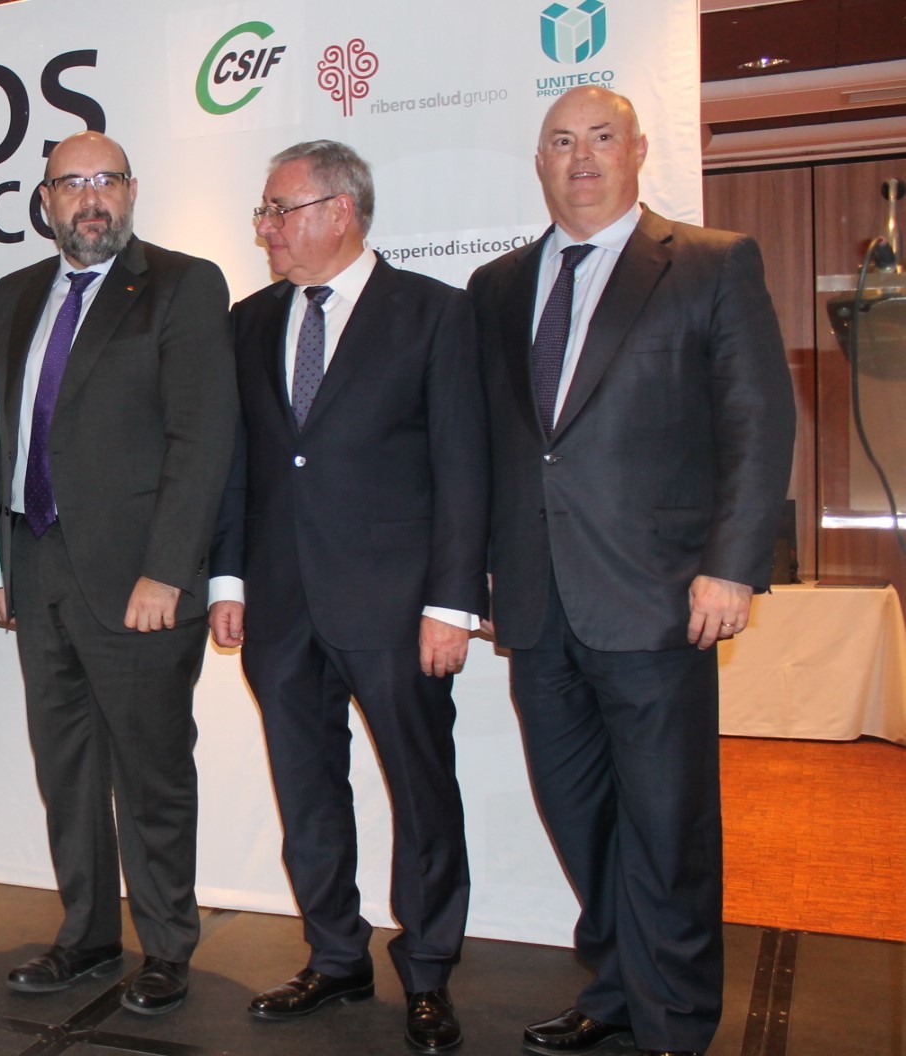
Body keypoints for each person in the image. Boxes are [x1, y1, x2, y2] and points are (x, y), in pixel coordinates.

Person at [467, 87, 793, 1056]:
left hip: (658, 600)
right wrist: (479, 575)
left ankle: (673, 1022)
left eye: (600, 138)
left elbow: (756, 421)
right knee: (581, 818)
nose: (580, 157)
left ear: (637, 150)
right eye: (560, 141)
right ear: (538, 162)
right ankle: (614, 986)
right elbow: (491, 447)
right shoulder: (496, 285)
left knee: (666, 824)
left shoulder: (708, 262)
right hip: (535, 604)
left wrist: (730, 567)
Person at [207, 140, 486, 1053]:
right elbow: (239, 464)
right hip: (280, 606)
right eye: (263, 212)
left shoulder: (434, 313)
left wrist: (451, 602)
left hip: (399, 608)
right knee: (306, 790)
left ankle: (429, 970)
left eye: (278, 210)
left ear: (340, 210)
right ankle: (334, 956)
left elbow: (462, 465)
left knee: (422, 790)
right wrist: (228, 577)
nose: (265, 229)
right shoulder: (250, 322)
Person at [0, 132, 237, 1015]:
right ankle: (86, 936)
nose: (89, 199)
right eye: (70, 184)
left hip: (138, 583)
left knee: (152, 771)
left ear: (130, 191)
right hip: (34, 565)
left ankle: (166, 946)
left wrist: (168, 570)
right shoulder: (15, 294)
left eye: (105, 181)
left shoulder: (182, 284)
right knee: (68, 771)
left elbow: (201, 438)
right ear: (44, 201)